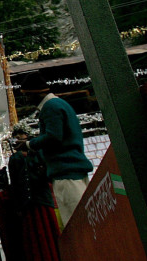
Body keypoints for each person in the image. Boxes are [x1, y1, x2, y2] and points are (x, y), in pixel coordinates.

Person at [19, 92, 93, 227]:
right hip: (74, 170)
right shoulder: (60, 104)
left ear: (37, 91)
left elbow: (53, 137)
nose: (26, 98)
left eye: (27, 94)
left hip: (66, 173)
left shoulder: (50, 107)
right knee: (86, 219)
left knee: (77, 224)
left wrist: (29, 144)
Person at [8, 125, 59, 261]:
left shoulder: (39, 152)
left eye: (21, 137)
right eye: (16, 138)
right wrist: (18, 205)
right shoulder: (14, 159)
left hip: (42, 200)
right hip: (27, 206)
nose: (18, 140)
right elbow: (15, 183)